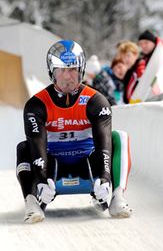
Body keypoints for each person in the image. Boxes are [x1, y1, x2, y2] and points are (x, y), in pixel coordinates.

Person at [16, 40, 132, 224]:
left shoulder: (96, 101)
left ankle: (118, 197)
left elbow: (104, 143)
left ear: (81, 71)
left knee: (120, 137)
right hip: (52, 166)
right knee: (23, 148)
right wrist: (40, 179)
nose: (67, 77)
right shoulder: (36, 105)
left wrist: (105, 176)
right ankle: (31, 202)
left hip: (89, 161)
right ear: (51, 72)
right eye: (61, 70)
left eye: (72, 70)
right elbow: (36, 145)